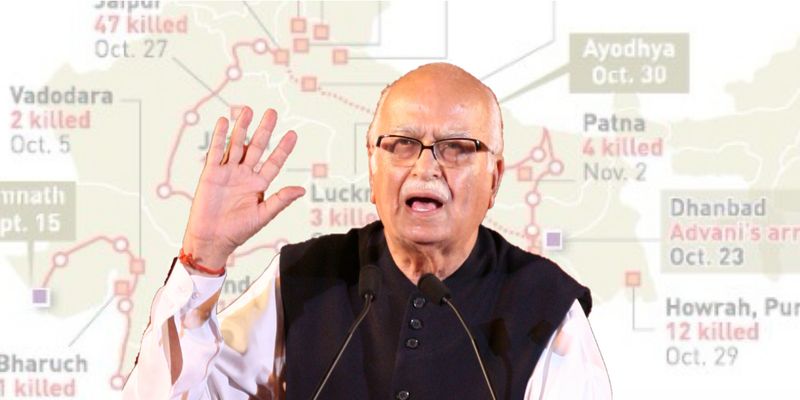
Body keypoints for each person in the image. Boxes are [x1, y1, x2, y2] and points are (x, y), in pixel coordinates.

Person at [122, 63, 612, 399]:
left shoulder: (545, 308)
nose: (425, 167)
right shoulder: (307, 279)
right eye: (402, 143)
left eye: (457, 147)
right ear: (373, 167)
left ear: (495, 179)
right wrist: (202, 257)